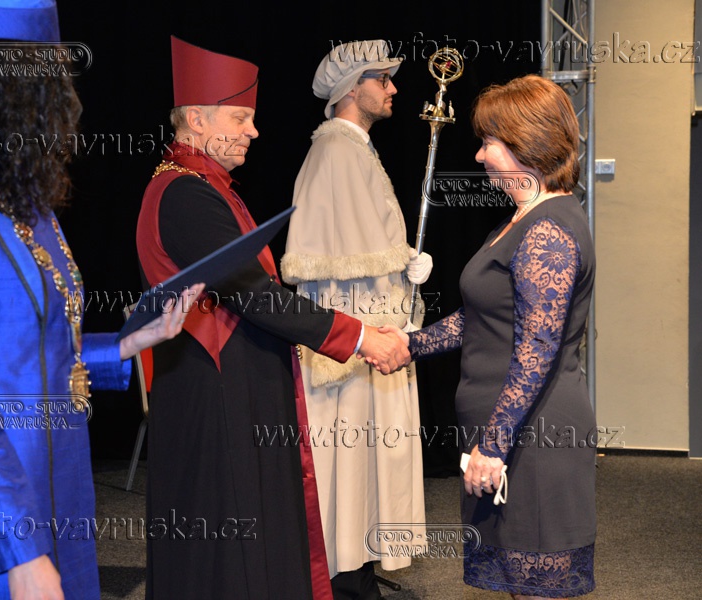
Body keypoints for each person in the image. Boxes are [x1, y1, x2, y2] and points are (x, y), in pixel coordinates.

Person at [0, 2, 199, 598]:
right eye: (49, 75)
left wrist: (127, 343)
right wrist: (20, 551)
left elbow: (37, 353)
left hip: (59, 476)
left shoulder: (27, 203)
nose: (65, 98)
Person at [134, 36, 411, 600]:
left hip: (231, 389)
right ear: (196, 119)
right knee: (227, 549)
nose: (254, 131)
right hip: (215, 396)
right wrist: (358, 337)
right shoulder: (185, 195)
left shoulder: (203, 187)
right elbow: (254, 295)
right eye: (240, 118)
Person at [397, 74, 596, 599]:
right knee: (517, 583)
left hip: (532, 437)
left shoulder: (547, 231)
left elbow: (537, 349)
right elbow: (480, 318)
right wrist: (408, 345)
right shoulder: (520, 221)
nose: (480, 155)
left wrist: (494, 444)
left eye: (489, 141)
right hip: (507, 431)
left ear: (527, 143)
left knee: (536, 587)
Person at [281, 39, 434, 599]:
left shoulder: (355, 148)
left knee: (366, 463)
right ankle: (345, 577)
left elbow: (364, 242)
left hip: (370, 333)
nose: (393, 89)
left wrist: (404, 268)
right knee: (349, 465)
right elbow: (337, 264)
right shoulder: (336, 151)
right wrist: (398, 269)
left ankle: (357, 571)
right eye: (382, 79)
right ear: (351, 88)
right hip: (352, 345)